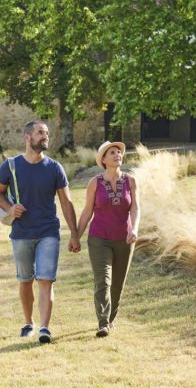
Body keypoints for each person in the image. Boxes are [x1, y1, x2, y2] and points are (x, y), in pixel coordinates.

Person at [0, 120, 81, 343]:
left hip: (48, 231)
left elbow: (67, 203)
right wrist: (10, 208)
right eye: (41, 133)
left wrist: (75, 233)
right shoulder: (10, 166)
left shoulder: (54, 168)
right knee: (25, 280)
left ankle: (44, 328)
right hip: (21, 233)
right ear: (28, 137)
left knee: (45, 279)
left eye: (47, 133)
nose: (45, 136)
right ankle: (28, 322)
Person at [76, 140, 140, 337]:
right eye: (112, 152)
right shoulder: (95, 183)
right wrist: (75, 236)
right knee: (103, 280)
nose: (117, 155)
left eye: (119, 152)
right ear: (103, 159)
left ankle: (111, 319)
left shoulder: (130, 181)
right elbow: (87, 211)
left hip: (124, 239)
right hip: (99, 238)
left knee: (118, 283)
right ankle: (102, 323)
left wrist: (135, 229)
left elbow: (135, 208)